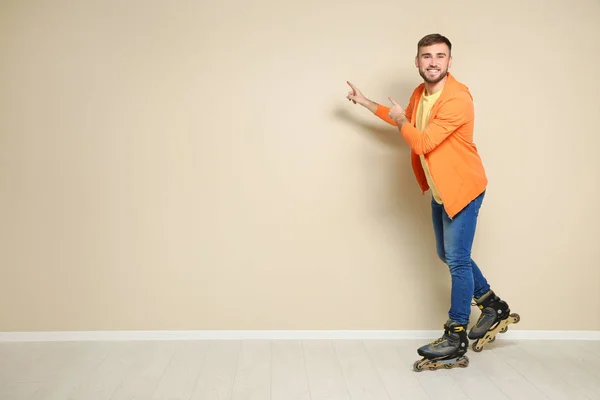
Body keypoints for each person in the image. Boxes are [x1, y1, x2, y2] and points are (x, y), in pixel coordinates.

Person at [345, 33, 519, 371]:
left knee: (456, 259)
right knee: (448, 254)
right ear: (417, 61)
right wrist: (367, 103)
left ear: (450, 62)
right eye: (427, 56)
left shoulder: (457, 99)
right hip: (441, 188)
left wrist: (400, 120)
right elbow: (404, 119)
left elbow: (421, 141)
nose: (433, 62)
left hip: (463, 189)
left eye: (440, 56)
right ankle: (491, 304)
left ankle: (455, 333)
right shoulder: (419, 94)